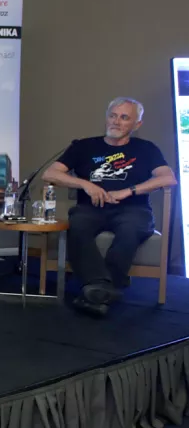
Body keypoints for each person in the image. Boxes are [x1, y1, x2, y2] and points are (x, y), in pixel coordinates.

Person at [42, 97, 178, 317]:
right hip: (91, 208)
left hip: (133, 209)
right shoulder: (83, 146)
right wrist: (85, 184)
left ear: (137, 124)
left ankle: (97, 290)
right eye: (113, 115)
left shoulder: (146, 148)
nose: (116, 121)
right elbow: (50, 173)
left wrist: (128, 191)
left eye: (124, 117)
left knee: (131, 229)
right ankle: (105, 288)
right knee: (77, 225)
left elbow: (168, 178)